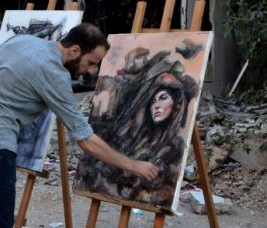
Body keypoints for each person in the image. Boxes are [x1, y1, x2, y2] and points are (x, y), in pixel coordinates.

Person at [0, 23, 158, 228]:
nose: (91, 71)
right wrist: (132, 165)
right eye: (92, 62)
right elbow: (85, 140)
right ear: (75, 50)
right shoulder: (54, 74)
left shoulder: (23, 41)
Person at [77, 58, 199, 208]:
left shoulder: (174, 145)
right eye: (153, 101)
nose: (156, 106)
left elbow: (158, 185)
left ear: (176, 104)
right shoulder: (137, 135)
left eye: (163, 98)